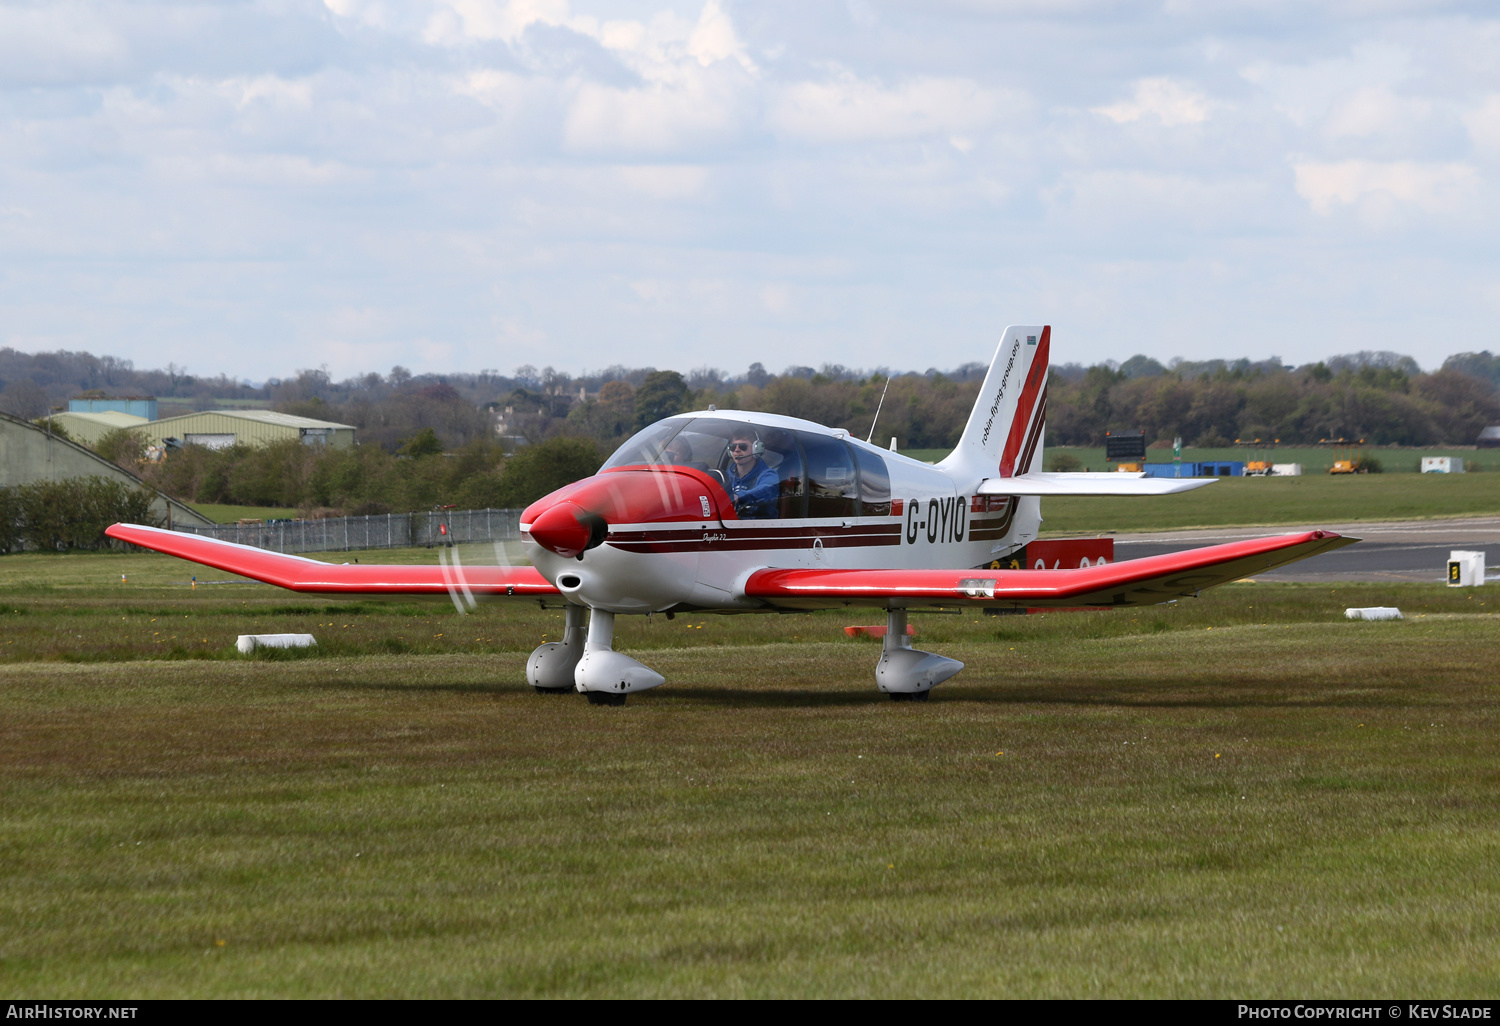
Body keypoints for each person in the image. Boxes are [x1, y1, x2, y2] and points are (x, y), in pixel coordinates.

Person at [724, 428, 780, 519]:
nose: (736, 450)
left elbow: (765, 490)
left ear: (756, 448)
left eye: (742, 446)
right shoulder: (725, 477)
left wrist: (738, 497)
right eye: (733, 447)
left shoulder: (769, 476)